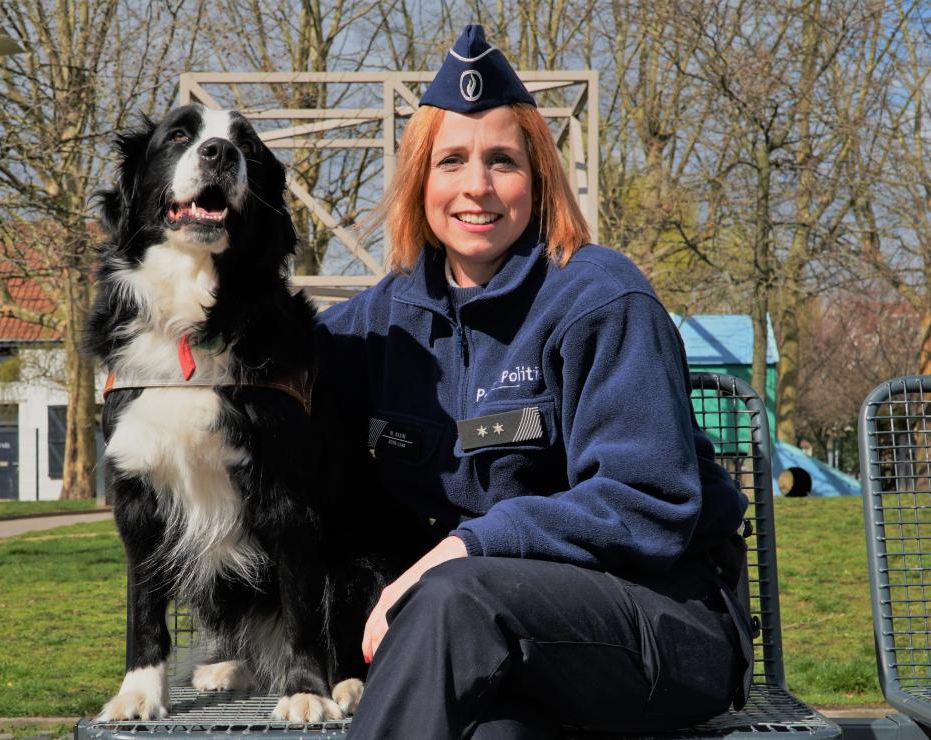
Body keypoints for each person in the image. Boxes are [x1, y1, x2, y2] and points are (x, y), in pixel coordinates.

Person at [317, 25, 753, 739]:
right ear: (419, 181)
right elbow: (274, 363)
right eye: (450, 160)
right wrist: (169, 342)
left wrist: (468, 547)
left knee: (453, 596)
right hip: (491, 637)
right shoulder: (391, 313)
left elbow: (648, 501)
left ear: (539, 178)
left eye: (503, 162)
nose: (476, 187)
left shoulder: (601, 298)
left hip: (662, 624)